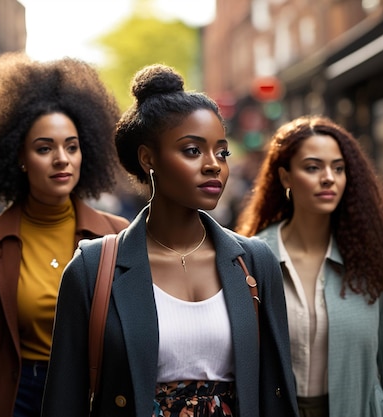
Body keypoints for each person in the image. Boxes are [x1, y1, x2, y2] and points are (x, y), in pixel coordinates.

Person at [43, 64, 300, 417]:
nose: (214, 165)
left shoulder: (255, 261)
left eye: (221, 152)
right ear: (149, 158)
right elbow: (63, 402)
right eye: (193, 150)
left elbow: (276, 393)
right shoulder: (91, 270)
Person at [0, 53, 129, 417]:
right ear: (20, 157)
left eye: (72, 146)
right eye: (45, 148)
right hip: (14, 399)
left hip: (88, 398)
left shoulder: (118, 237)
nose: (62, 158)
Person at [236, 115, 383, 417]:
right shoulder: (253, 259)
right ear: (285, 177)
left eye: (338, 168)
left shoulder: (373, 259)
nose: (328, 178)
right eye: (312, 167)